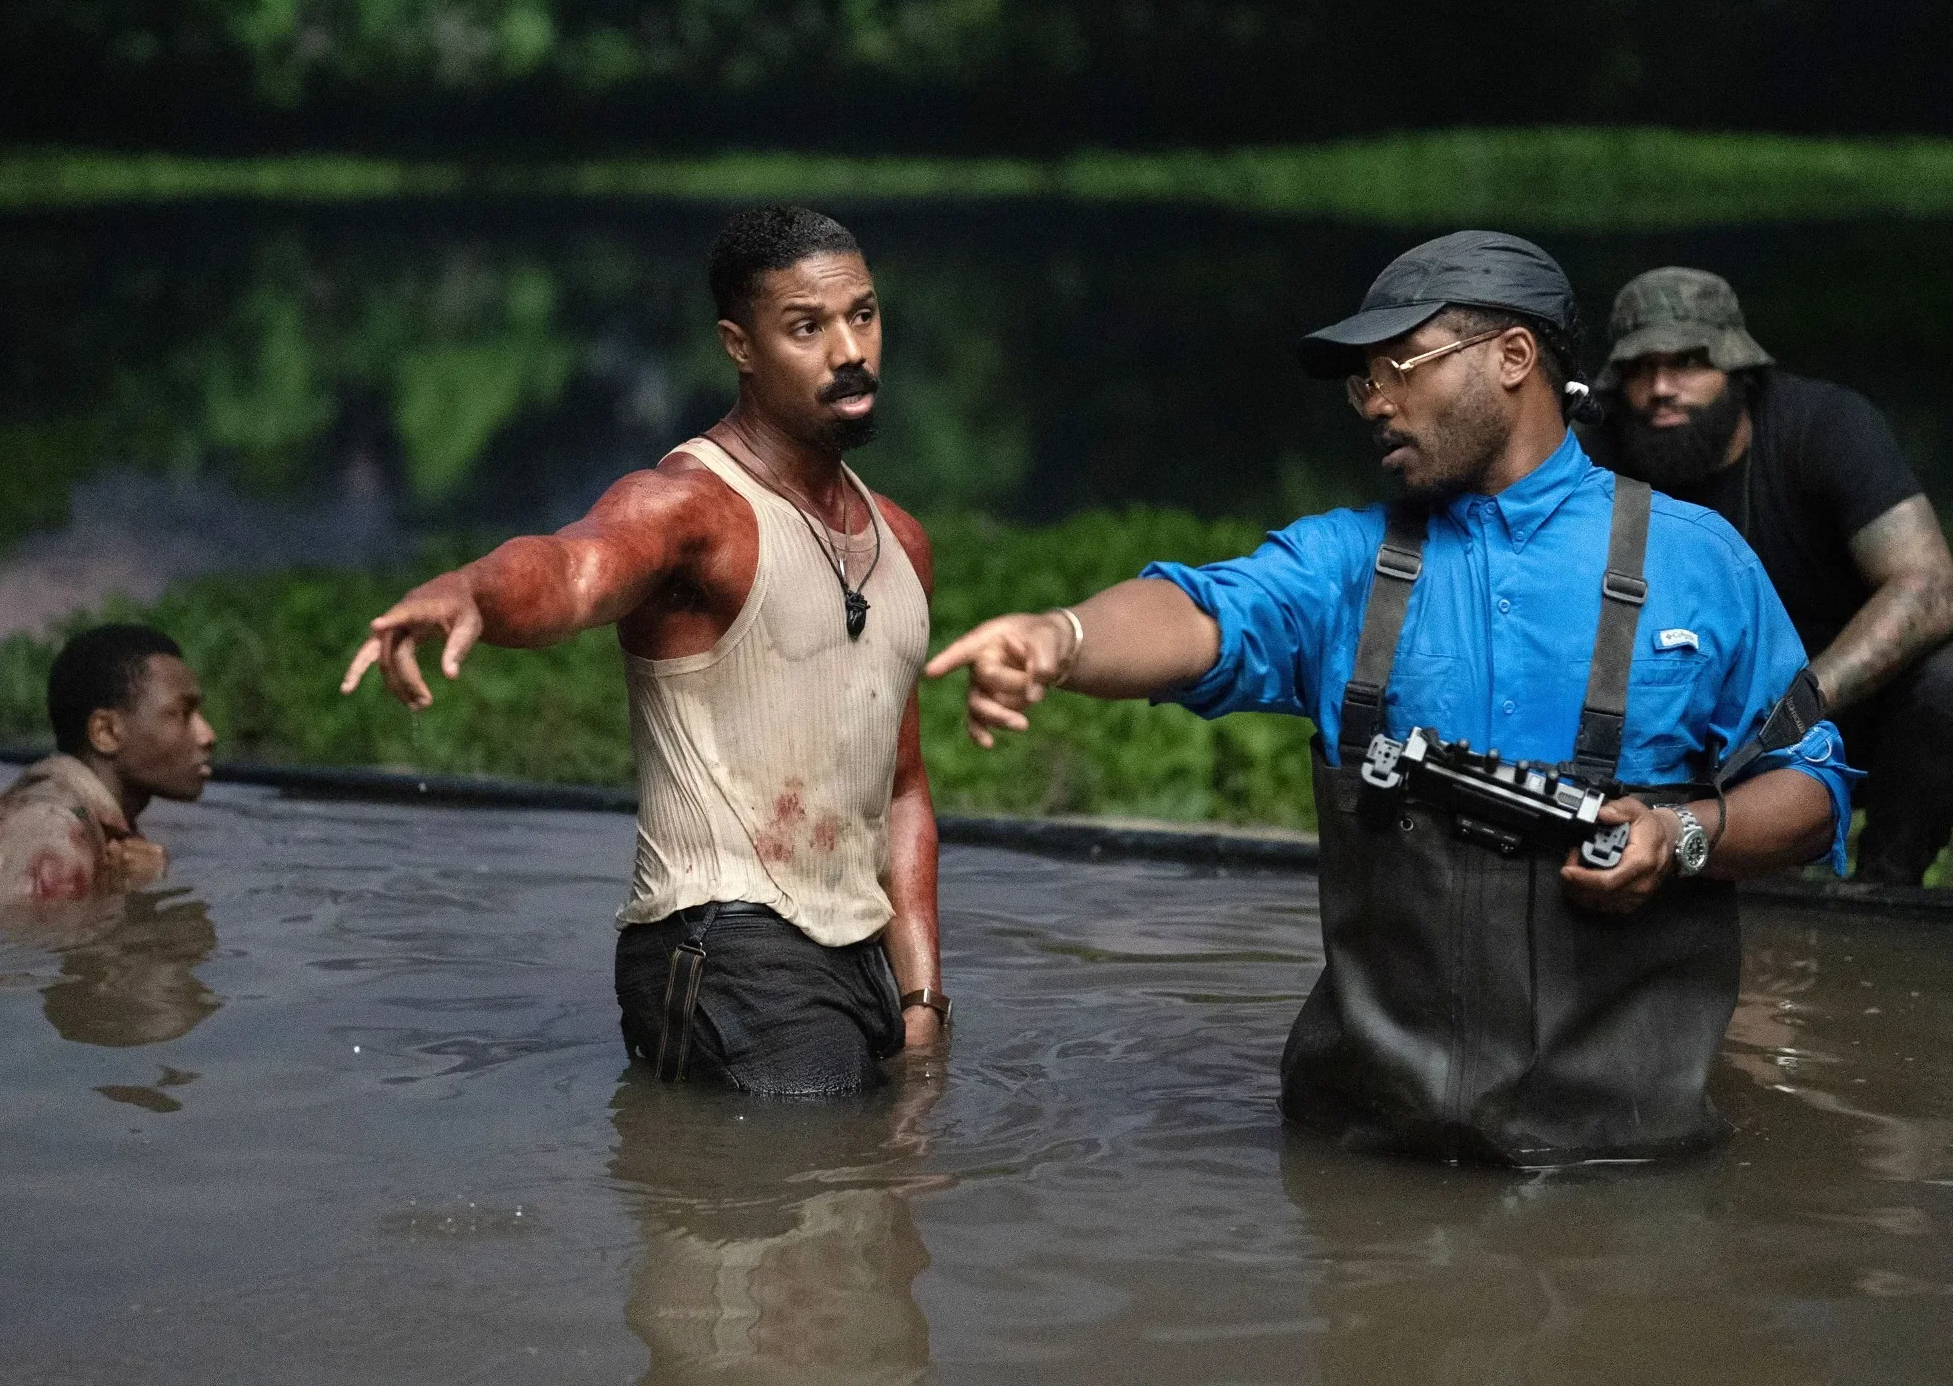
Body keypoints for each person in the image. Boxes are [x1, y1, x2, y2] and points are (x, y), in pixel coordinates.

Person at [928, 231, 1855, 1165]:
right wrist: (1063, 637)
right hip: (1364, 1154)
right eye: (1360, 380)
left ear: (1513, 358)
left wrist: (1683, 836)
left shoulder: (1696, 562)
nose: (1374, 401)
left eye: (1399, 366)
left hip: (1628, 1161)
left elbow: (1813, 793)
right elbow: (1201, 614)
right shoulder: (1345, 566)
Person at [342, 205, 946, 1095]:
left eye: (862, 314)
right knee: (811, 1191)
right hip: (723, 941)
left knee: (873, 1207)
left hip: (860, 959)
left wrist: (923, 996)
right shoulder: (690, 506)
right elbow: (574, 569)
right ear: (740, 346)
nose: (849, 351)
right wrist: (472, 590)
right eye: (806, 328)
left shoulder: (901, 540)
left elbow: (900, 790)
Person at [1592, 267, 1953, 886]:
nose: (1660, 388)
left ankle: (1886, 894)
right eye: (1639, 368)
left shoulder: (1822, 425)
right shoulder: (1598, 449)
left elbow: (1929, 585)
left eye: (1687, 363)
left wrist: (1799, 703)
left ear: (1738, 370)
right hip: (1676, 711)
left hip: (1838, 705)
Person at [0, 623, 214, 912]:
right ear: (105, 733)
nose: (207, 735)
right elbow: (18, 951)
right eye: (182, 713)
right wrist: (138, 897)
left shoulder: (94, 823)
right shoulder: (51, 830)